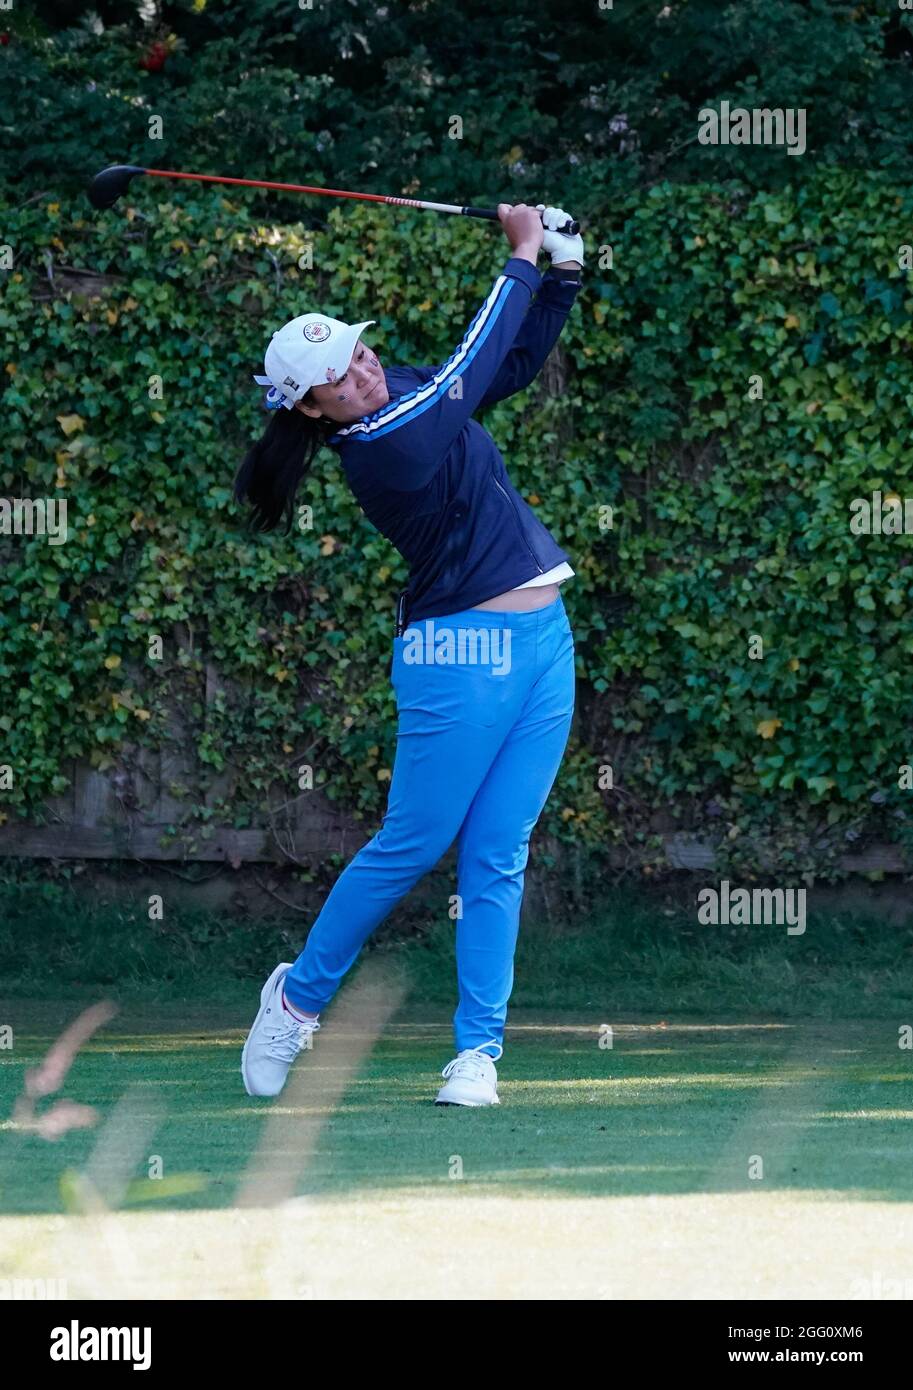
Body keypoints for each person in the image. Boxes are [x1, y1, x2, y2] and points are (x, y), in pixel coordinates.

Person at [236, 203, 584, 1106]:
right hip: (458, 649)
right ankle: (296, 1001)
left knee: (498, 852)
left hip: (545, 639)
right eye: (336, 377)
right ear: (311, 410)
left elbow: (504, 366)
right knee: (414, 841)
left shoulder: (410, 397)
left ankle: (478, 1054)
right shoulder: (378, 446)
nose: (361, 369)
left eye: (355, 352)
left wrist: (565, 271)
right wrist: (520, 254)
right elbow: (472, 363)